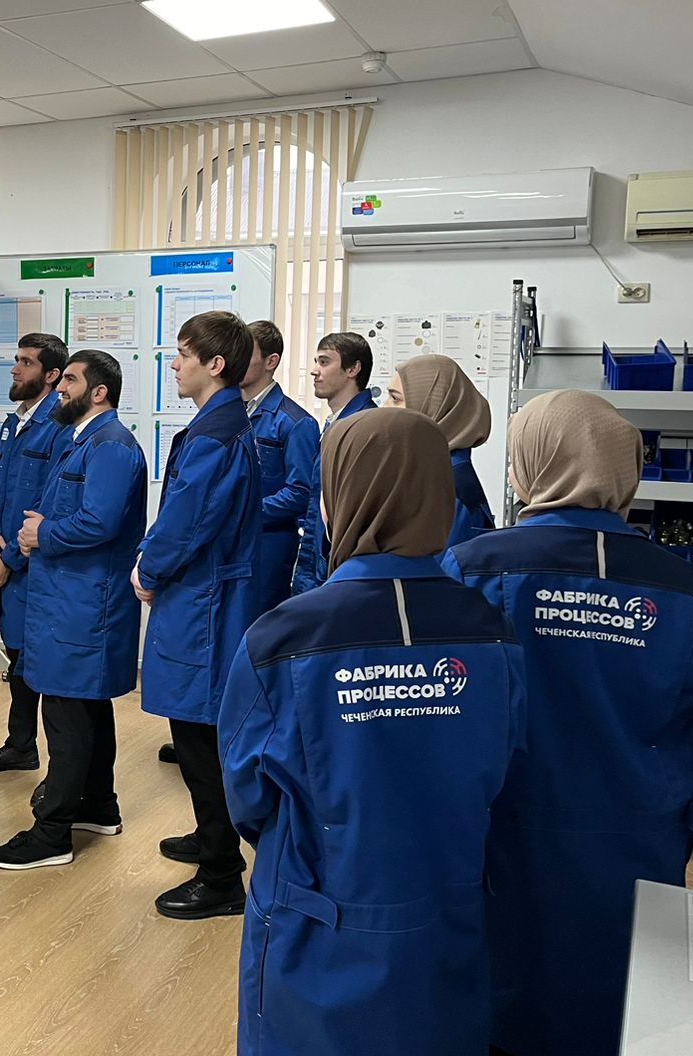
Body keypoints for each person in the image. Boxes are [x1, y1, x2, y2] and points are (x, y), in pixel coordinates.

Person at [442, 389, 693, 1056]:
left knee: (503, 1005)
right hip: (640, 846)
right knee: (618, 1007)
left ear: (530, 464)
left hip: (503, 841)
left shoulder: (470, 569)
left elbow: (445, 721)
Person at [220, 409, 526, 1056]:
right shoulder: (493, 632)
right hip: (448, 905)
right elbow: (504, 767)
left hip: (317, 919)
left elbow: (248, 798)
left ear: (339, 497)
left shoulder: (281, 639)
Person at [0, 351, 147, 869]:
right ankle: (98, 806)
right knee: (87, 708)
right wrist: (41, 527)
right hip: (68, 599)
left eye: (71, 381)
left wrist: (42, 533)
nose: (60, 388)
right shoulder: (83, 441)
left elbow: (100, 522)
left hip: (83, 605)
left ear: (99, 392)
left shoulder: (111, 446)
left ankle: (52, 833)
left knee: (66, 714)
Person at [133, 311, 261, 920]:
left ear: (216, 364)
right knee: (196, 733)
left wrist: (147, 568)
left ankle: (221, 875)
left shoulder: (215, 434)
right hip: (205, 593)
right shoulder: (222, 423)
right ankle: (213, 837)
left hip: (202, 599)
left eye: (184, 353)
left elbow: (187, 521)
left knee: (199, 738)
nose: (175, 363)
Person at [0, 333, 69, 777]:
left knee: (35, 663)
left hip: (34, 566)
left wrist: (9, 558)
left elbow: (49, 506)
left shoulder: (59, 426)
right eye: (16, 359)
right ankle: (21, 746)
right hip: (7, 558)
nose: (14, 368)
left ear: (51, 375)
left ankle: (49, 762)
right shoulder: (14, 423)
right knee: (16, 657)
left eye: (26, 362)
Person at [243, 320, 320, 614]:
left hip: (268, 547)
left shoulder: (295, 422)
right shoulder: (230, 415)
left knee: (259, 628)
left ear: (270, 361)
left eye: (245, 353)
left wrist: (245, 513)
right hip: (230, 544)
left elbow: (300, 493)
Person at [292, 332, 376, 595]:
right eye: (316, 361)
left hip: (339, 567)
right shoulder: (336, 422)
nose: (314, 371)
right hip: (320, 562)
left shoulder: (364, 426)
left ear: (353, 369)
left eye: (325, 362)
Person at [385, 353, 495, 546]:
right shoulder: (430, 471)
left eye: (395, 399)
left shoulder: (444, 488)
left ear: (433, 407)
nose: (384, 407)